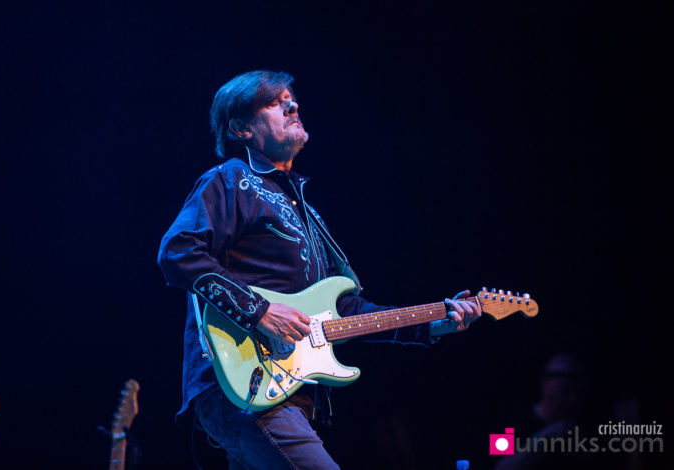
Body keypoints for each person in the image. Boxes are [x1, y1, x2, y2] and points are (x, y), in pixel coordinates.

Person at [157, 70, 481, 470]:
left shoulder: (309, 215)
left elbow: (344, 311)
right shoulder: (231, 180)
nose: (292, 105)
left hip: (290, 390)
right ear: (241, 129)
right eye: (274, 102)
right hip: (244, 386)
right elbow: (178, 252)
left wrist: (431, 322)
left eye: (291, 99)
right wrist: (260, 311)